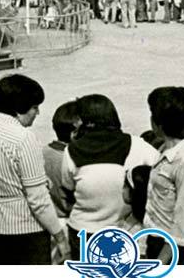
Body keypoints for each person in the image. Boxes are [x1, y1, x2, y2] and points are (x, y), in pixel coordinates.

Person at [0, 74, 68, 265]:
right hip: (23, 231)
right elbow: (38, 200)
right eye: (34, 107)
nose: (37, 113)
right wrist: (60, 236)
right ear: (19, 107)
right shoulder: (24, 138)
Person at [60, 94, 159, 257]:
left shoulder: (70, 151)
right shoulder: (136, 145)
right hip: (122, 233)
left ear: (87, 121)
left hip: (82, 232)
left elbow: (68, 187)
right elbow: (161, 169)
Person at [144, 86, 184, 264]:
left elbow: (182, 225)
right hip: (159, 242)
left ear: (158, 124)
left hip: (175, 252)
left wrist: (159, 264)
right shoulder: (166, 149)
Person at [45, 100, 80, 222]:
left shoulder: (42, 152)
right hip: (72, 220)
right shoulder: (74, 160)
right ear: (74, 133)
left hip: (49, 220)